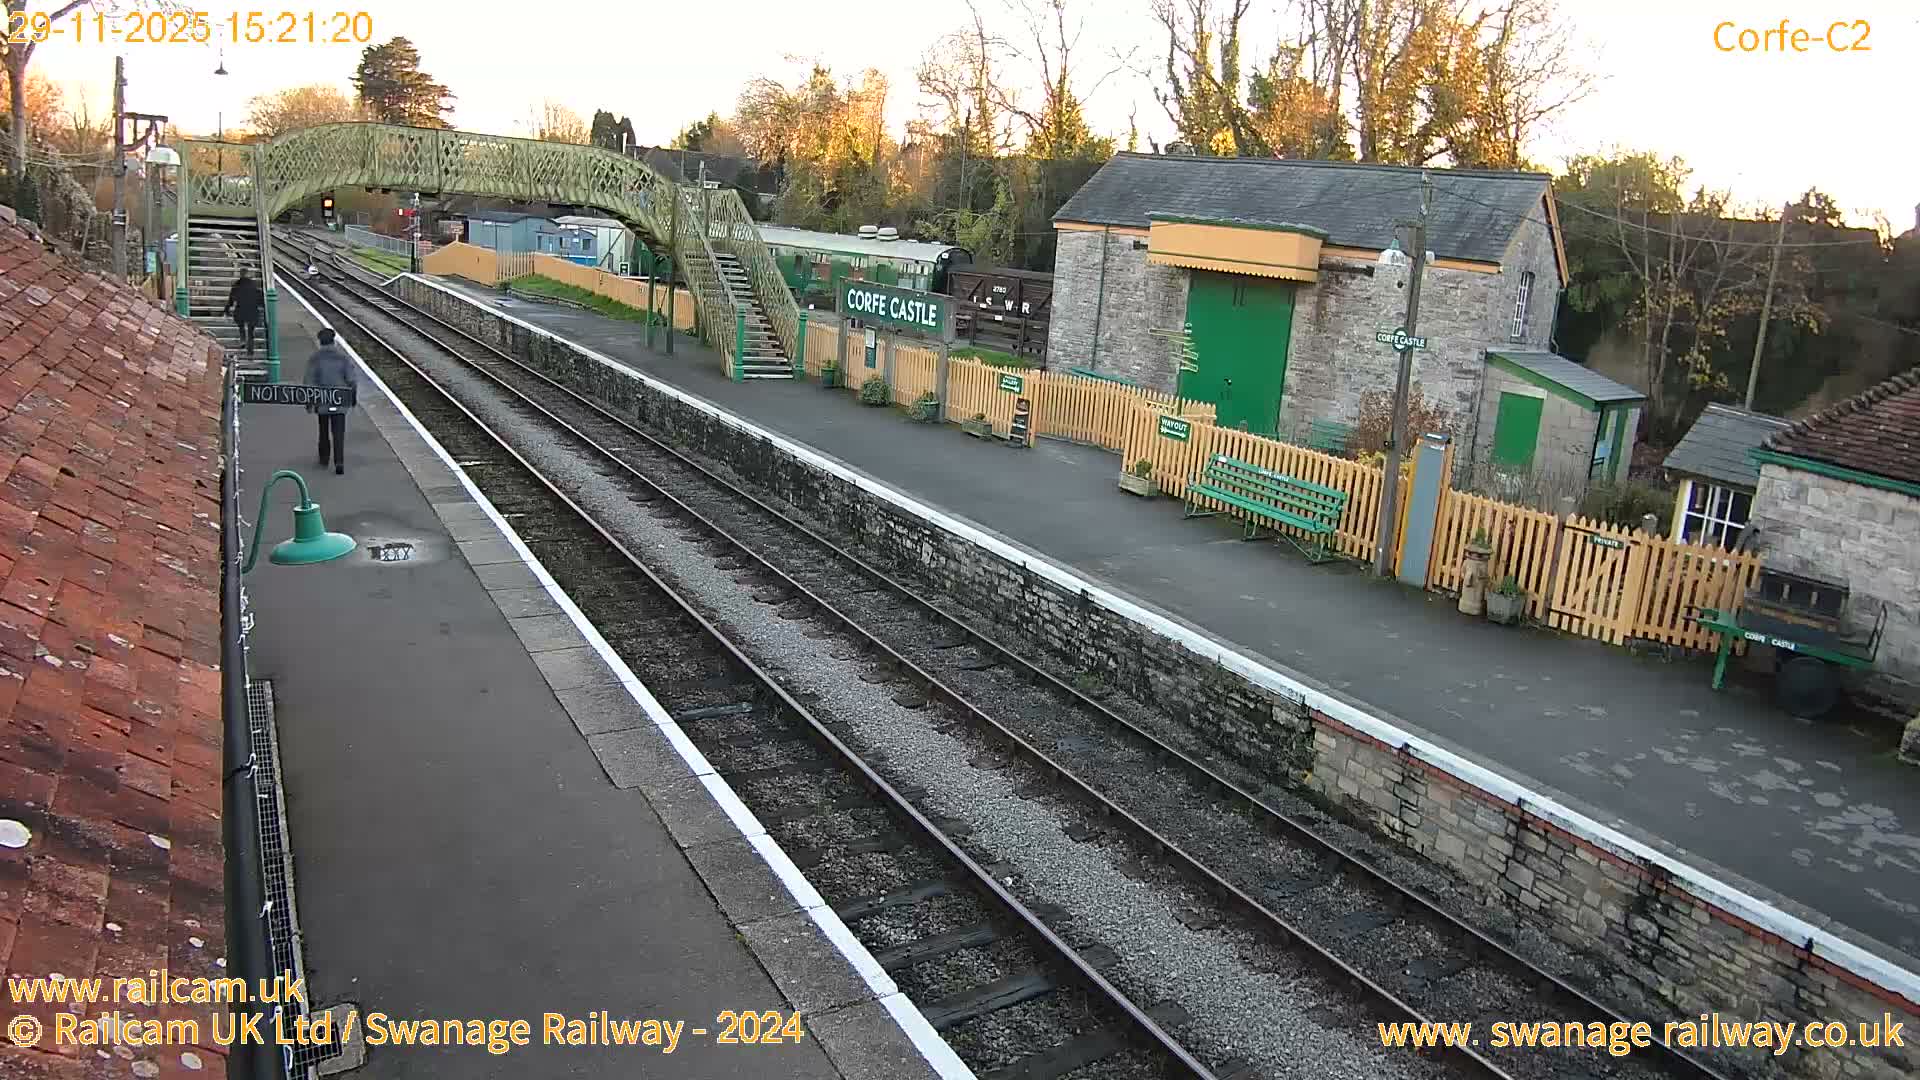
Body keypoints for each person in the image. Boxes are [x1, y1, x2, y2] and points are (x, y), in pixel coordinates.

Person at [306, 328, 356, 475]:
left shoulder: (315, 358)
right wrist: (352, 398)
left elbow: (309, 381)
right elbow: (352, 380)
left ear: (320, 341)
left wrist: (310, 402)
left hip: (322, 401)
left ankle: (324, 458)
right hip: (340, 400)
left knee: (323, 430)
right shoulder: (343, 358)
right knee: (338, 432)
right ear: (333, 340)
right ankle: (339, 462)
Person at [223, 270, 264, 357]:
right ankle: (250, 350)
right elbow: (260, 298)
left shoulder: (236, 285)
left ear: (240, 275)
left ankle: (242, 339)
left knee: (241, 326)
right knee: (251, 331)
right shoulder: (254, 285)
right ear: (248, 275)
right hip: (252, 310)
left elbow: (231, 299)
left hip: (240, 310)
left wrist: (226, 310)